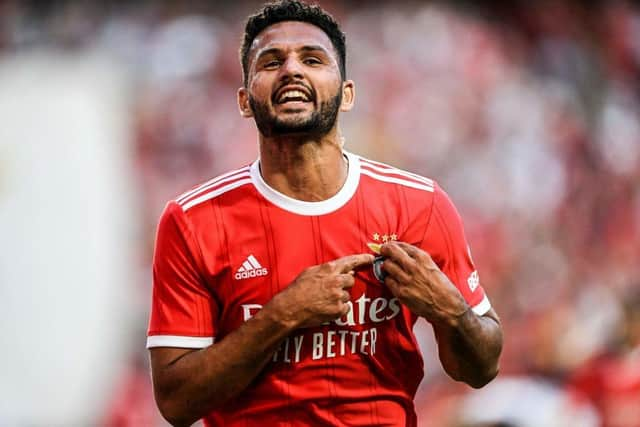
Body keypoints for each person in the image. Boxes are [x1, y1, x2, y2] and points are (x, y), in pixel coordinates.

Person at [147, 1, 503, 426]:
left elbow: (481, 368)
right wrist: (282, 315)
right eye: (271, 61)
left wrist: (451, 312)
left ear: (347, 93)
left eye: (312, 59)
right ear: (244, 100)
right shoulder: (193, 221)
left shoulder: (419, 205)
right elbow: (176, 403)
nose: (292, 70)